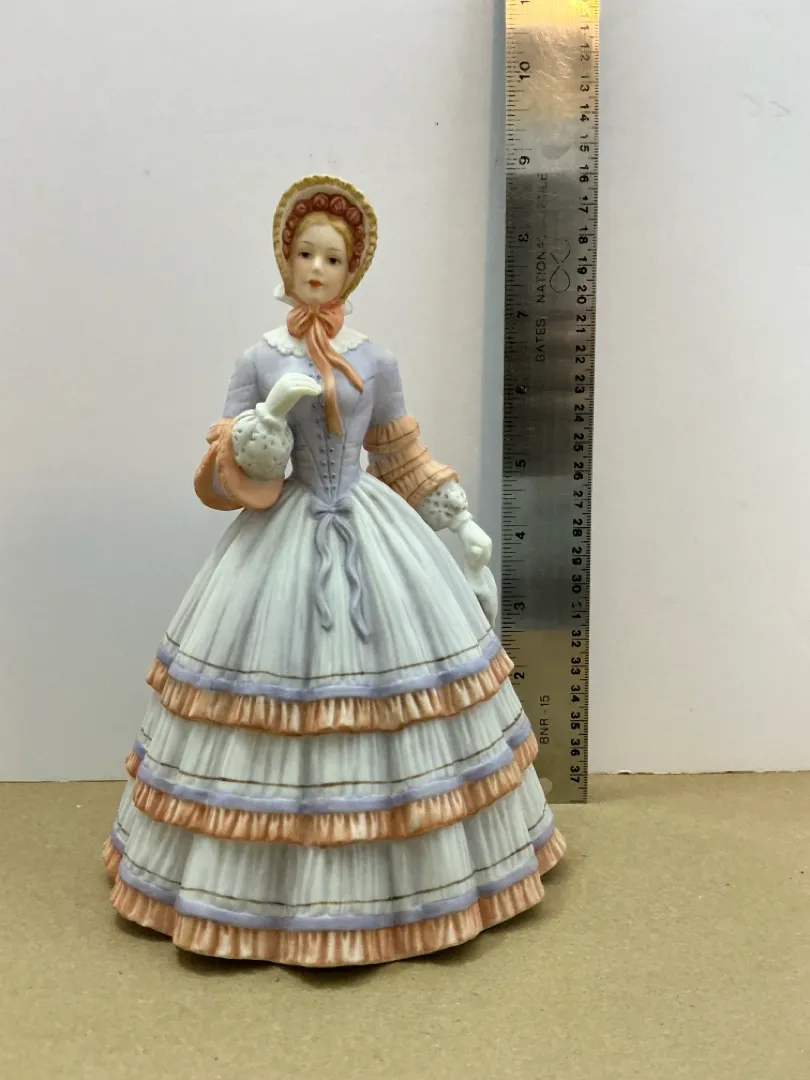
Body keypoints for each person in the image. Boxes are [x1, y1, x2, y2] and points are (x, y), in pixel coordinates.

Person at [102, 174, 565, 966]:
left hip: (368, 526)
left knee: (401, 699)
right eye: (306, 254)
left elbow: (398, 450)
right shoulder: (259, 357)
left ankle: (406, 888)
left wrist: (453, 514)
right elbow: (231, 469)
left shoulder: (374, 359)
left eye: (334, 257)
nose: (318, 268)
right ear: (285, 260)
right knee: (265, 702)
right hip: (284, 533)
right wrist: (267, 423)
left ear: (353, 270)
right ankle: (261, 896)